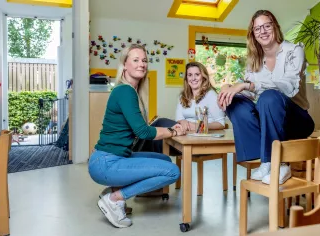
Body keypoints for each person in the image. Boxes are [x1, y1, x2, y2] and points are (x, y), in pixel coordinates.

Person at [88, 44, 185, 228]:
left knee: (164, 158)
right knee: (172, 171)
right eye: (136, 60)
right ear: (124, 65)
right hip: (107, 162)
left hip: (109, 158)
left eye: (144, 60)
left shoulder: (129, 91)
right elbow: (143, 132)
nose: (142, 64)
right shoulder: (125, 91)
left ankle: (113, 190)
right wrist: (173, 131)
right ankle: (115, 198)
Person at [217, 10, 315, 185]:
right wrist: (229, 88)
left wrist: (248, 85)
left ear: (275, 27)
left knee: (269, 97)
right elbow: (249, 92)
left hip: (297, 119)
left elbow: (289, 86)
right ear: (253, 34)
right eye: (257, 29)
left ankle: (279, 163)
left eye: (266, 26)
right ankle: (267, 160)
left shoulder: (294, 51)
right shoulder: (254, 61)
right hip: (270, 118)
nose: (262, 31)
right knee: (236, 102)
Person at [176, 61, 225, 131]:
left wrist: (200, 126)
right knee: (161, 122)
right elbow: (179, 118)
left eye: (197, 74)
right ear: (186, 78)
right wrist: (182, 121)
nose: (193, 78)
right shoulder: (182, 96)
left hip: (204, 136)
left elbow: (221, 124)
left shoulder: (211, 95)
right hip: (186, 133)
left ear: (203, 77)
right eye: (190, 75)